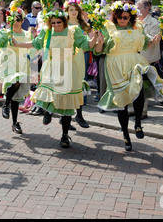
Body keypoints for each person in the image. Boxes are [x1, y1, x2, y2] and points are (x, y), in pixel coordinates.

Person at [13, 9, 100, 147]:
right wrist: (18, 44)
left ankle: (64, 136)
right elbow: (35, 44)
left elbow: (86, 45)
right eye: (52, 22)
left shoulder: (73, 31)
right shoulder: (47, 32)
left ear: (64, 21)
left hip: (68, 69)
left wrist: (95, 38)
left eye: (58, 22)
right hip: (51, 68)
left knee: (66, 102)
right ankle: (48, 111)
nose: (56, 25)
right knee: (48, 93)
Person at [95, 1, 163, 151]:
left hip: (134, 61)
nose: (122, 20)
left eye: (125, 17)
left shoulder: (137, 27)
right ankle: (126, 134)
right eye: (119, 17)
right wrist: (99, 42)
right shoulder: (108, 28)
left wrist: (154, 41)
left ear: (130, 17)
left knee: (138, 92)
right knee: (122, 101)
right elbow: (99, 50)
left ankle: (138, 123)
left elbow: (146, 44)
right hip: (116, 65)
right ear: (115, 16)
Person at [0, 10, 33, 134]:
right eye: (13, 20)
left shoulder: (27, 34)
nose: (16, 22)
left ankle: (15, 123)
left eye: (18, 20)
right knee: (15, 82)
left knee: (16, 96)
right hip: (7, 64)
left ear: (22, 21)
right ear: (10, 21)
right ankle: (6, 104)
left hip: (21, 64)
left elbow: (33, 51)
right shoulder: (5, 33)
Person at [65, 0, 91, 128]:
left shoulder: (83, 25)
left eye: (76, 10)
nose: (74, 12)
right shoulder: (63, 23)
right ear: (67, 11)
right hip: (66, 57)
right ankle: (66, 117)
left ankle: (79, 115)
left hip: (80, 56)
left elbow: (89, 39)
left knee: (79, 83)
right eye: (71, 10)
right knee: (68, 85)